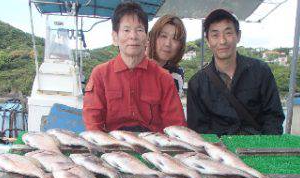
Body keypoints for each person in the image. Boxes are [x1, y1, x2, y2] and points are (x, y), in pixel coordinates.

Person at [83, 2, 186, 133]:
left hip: (154, 147)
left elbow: (176, 126)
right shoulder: (100, 74)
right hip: (113, 146)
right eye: (126, 30)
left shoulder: (164, 77)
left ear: (147, 38)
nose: (133, 36)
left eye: (139, 30)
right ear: (115, 37)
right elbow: (93, 124)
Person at [187, 9, 285, 135]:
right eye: (215, 35)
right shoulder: (197, 83)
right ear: (207, 40)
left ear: (238, 36)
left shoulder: (261, 71)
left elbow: (273, 117)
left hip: (256, 148)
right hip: (218, 151)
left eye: (228, 33)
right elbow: (198, 130)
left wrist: (263, 148)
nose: (222, 41)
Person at [148, 15, 186, 96]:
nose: (168, 44)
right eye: (163, 36)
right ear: (153, 37)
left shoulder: (176, 75)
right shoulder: (133, 65)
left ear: (180, 45)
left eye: (175, 39)